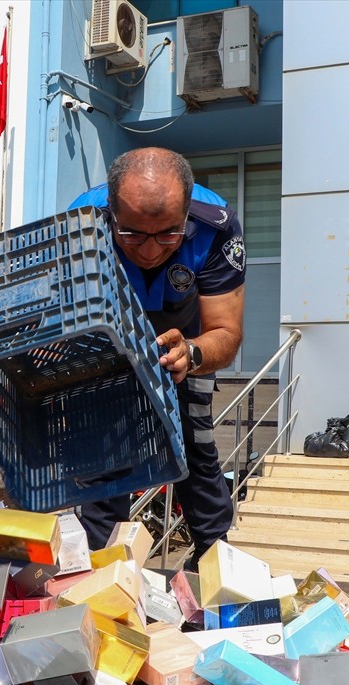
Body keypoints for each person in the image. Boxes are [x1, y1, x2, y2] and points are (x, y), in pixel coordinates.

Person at [68, 147, 246, 570]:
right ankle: (104, 574)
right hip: (108, 344)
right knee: (104, 457)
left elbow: (225, 332)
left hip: (184, 341)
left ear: (186, 216)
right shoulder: (79, 224)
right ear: (111, 213)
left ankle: (215, 566)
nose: (149, 251)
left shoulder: (216, 226)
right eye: (132, 235)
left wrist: (193, 353)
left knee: (193, 450)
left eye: (168, 235)